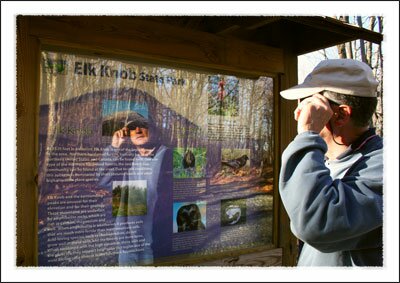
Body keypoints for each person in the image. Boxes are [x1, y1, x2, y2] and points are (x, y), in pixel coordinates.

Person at [278, 59, 383, 266]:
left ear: (341, 115)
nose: (298, 112)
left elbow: (316, 223)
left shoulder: (383, 166)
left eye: (310, 104)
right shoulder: (325, 159)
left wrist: (308, 134)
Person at [97, 110, 173, 266]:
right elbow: (103, 182)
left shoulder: (170, 155)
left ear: (154, 130)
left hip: (160, 246)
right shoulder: (124, 159)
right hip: (128, 247)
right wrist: (113, 149)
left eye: (143, 126)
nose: (137, 131)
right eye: (132, 128)